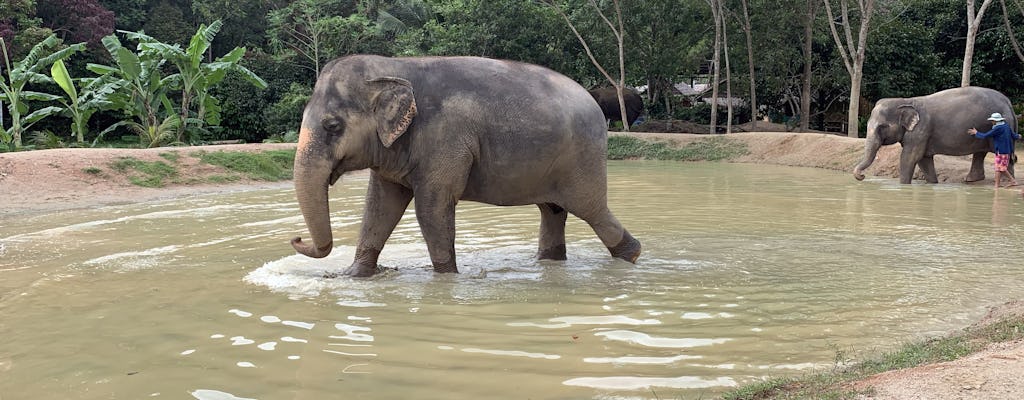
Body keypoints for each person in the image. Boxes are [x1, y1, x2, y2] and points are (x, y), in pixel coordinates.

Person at [967, 112, 1020, 188]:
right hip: (1005, 151)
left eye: (992, 121)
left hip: (1002, 151)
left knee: (1001, 168)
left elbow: (985, 136)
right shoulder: (1006, 126)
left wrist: (976, 133)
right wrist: (1018, 136)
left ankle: (1012, 181)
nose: (991, 122)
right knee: (999, 168)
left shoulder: (997, 128)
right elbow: (1013, 135)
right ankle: (997, 185)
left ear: (995, 121)